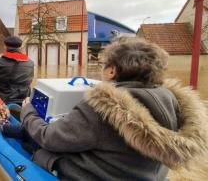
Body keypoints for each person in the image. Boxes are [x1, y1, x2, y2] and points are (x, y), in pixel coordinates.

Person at [20, 37, 208, 180]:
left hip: (99, 175)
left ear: (112, 71)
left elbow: (49, 138)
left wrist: (28, 111)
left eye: (103, 65)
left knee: (39, 148)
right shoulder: (171, 99)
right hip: (144, 175)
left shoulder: (102, 106)